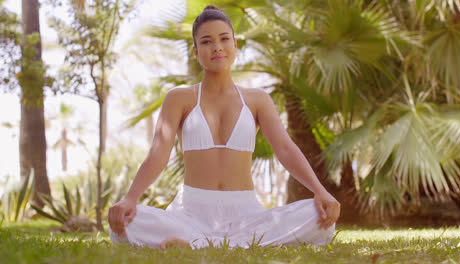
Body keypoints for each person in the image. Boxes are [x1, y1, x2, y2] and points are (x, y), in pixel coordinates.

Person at [108, 5, 340, 250]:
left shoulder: (257, 99)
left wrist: (319, 191)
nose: (217, 46)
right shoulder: (179, 98)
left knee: (319, 218)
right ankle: (225, 244)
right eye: (207, 41)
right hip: (189, 213)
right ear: (196, 51)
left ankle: (197, 245)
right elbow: (158, 152)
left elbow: (284, 148)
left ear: (235, 45)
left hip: (246, 214)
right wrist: (130, 198)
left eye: (224, 39)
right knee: (123, 222)